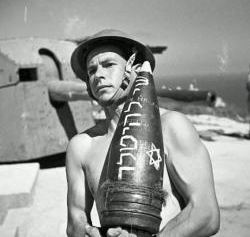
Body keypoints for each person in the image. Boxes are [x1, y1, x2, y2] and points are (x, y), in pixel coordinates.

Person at [66, 29, 220, 237]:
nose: (98, 75)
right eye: (91, 70)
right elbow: (76, 219)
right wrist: (89, 233)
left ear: (135, 70)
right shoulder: (82, 146)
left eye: (109, 65)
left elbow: (206, 215)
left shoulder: (171, 127)